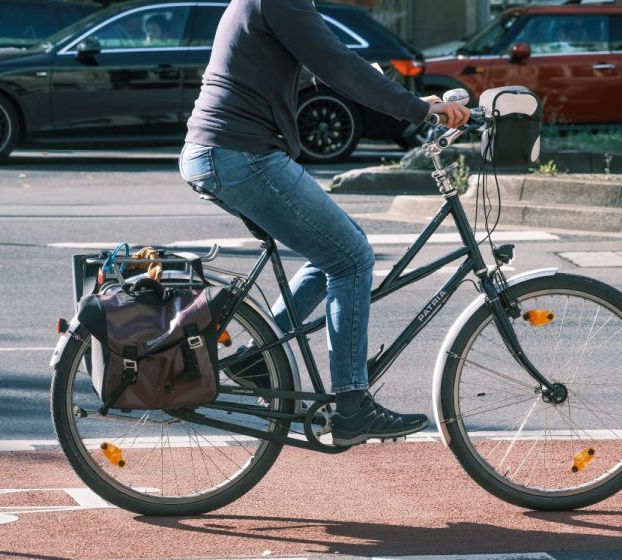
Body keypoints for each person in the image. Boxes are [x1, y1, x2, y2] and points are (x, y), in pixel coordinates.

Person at [179, 0, 470, 447]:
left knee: (337, 249)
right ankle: (352, 407)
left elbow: (334, 64)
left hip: (222, 151)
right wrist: (417, 110)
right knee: (351, 259)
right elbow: (338, 65)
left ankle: (258, 358)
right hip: (240, 153)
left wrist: (416, 102)